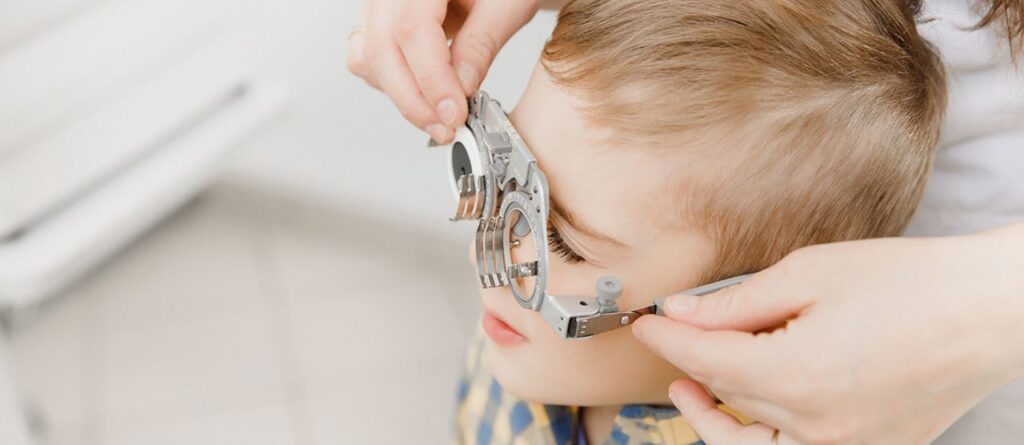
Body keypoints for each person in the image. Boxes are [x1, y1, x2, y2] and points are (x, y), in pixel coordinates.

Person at [347, 0, 1024, 443]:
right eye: (504, 177)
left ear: (746, 309)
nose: (485, 253)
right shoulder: (520, 336)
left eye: (561, 239)